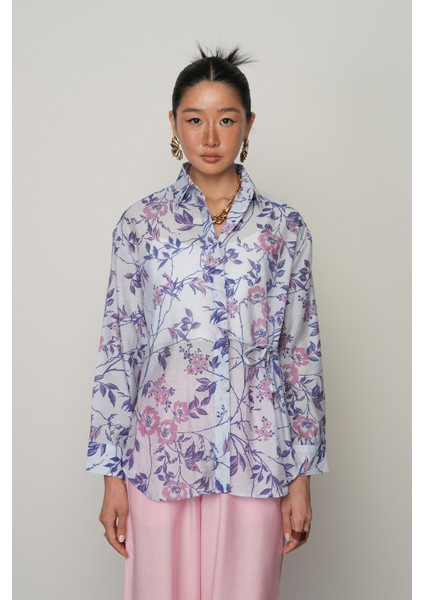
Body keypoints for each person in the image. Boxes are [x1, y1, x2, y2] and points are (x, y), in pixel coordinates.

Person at [85, 44, 329, 600]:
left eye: (226, 119)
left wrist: (301, 477)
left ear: (249, 124)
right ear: (174, 124)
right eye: (195, 120)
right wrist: (111, 476)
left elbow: (300, 355)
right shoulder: (140, 225)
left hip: (257, 458)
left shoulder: (284, 228)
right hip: (158, 458)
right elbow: (120, 350)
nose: (211, 137)